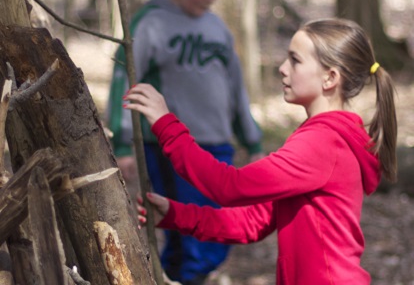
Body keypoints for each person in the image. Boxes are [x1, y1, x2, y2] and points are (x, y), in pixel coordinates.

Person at [123, 18, 398, 285]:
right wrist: (176, 215)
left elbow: (230, 186)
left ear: (329, 78)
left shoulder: (322, 143)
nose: (282, 68)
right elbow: (253, 222)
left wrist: (165, 124)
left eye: (295, 60)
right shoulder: (322, 138)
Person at [106, 0, 264, 283]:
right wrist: (123, 142)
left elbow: (236, 88)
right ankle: (181, 279)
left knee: (221, 230)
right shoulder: (150, 23)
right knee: (186, 239)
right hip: (170, 148)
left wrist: (252, 141)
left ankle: (196, 277)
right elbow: (124, 79)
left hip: (218, 145)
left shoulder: (218, 28)